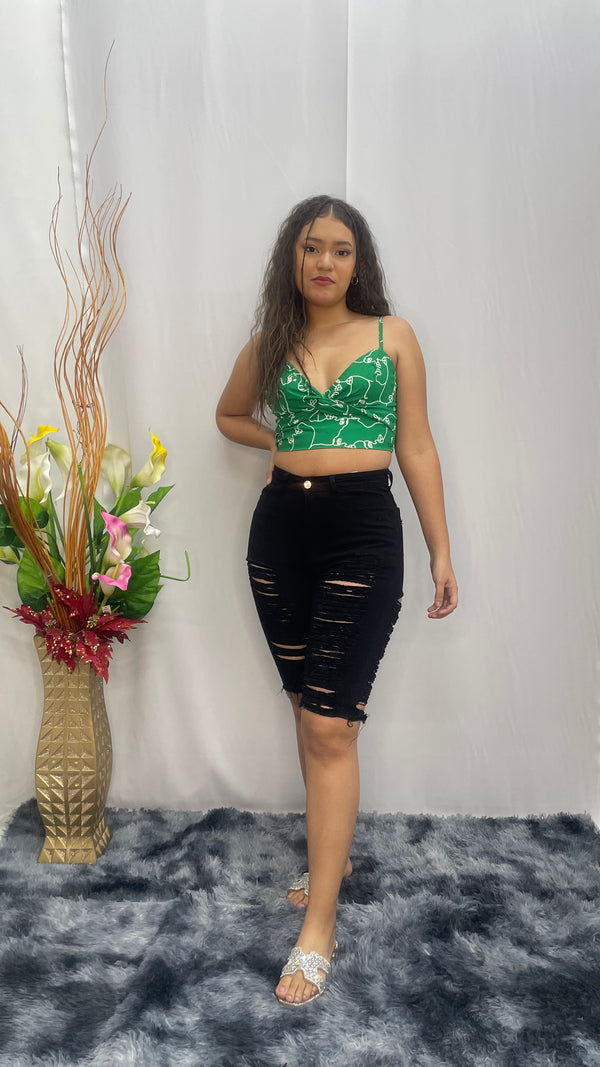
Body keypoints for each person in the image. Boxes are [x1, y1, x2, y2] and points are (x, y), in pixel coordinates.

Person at [216, 195, 458, 1006]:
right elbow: (228, 415)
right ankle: (333, 855)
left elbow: (415, 444)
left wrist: (441, 549)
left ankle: (319, 925)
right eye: (312, 247)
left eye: (341, 249)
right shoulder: (271, 342)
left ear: (360, 262)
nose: (325, 262)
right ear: (292, 256)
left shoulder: (393, 337)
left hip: (362, 530)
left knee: (330, 722)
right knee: (306, 707)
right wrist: (278, 440)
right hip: (280, 532)